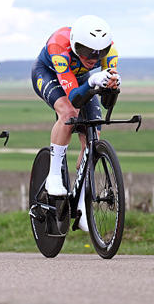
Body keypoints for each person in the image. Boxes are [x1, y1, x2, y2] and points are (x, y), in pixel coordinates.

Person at [31, 15, 120, 232]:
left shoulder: (111, 52)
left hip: (80, 79)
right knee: (69, 113)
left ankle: (80, 206)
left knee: (93, 139)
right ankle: (53, 176)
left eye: (99, 53)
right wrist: (91, 80)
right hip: (49, 74)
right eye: (86, 51)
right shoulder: (58, 46)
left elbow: (108, 102)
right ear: (74, 45)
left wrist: (112, 87)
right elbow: (73, 98)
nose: (93, 58)